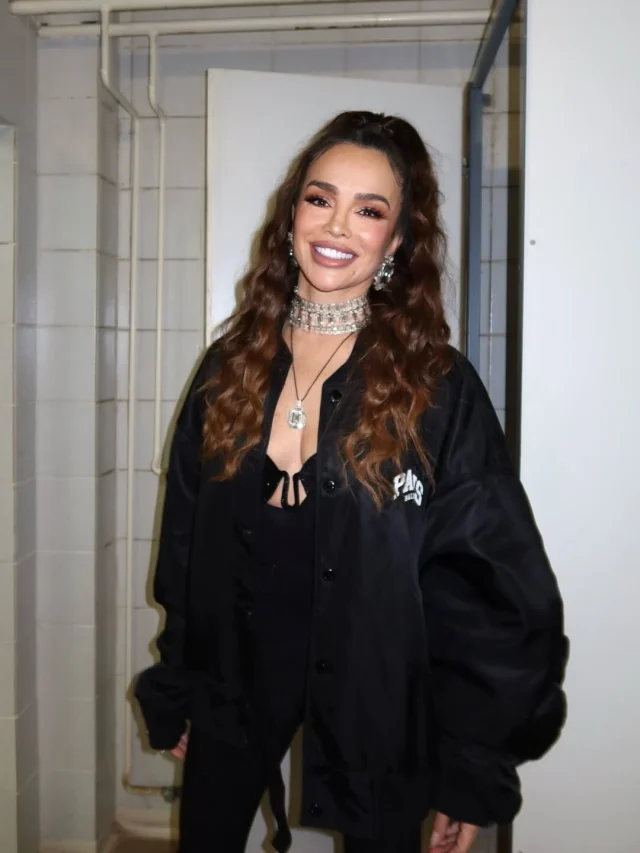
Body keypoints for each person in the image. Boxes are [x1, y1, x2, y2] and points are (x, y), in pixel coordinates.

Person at [135, 110, 568, 853]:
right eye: (320, 198)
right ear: (291, 216)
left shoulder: (438, 387)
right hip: (232, 679)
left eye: (369, 210)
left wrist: (471, 764)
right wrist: (179, 683)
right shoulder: (227, 368)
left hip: (377, 691)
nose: (337, 225)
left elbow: (489, 586)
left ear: (396, 241)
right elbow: (186, 543)